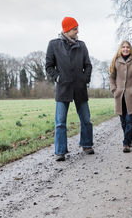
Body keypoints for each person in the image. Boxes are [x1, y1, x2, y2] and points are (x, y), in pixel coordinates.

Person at [46, 17, 94, 161]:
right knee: (60, 122)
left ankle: (87, 145)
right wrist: (58, 78)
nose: (77, 31)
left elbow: (88, 65)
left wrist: (85, 79)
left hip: (80, 88)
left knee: (86, 119)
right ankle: (60, 151)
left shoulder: (82, 45)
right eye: (75, 29)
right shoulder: (53, 45)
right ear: (67, 30)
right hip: (63, 88)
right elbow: (49, 66)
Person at [109, 41, 132, 153]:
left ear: (130, 49)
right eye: (123, 47)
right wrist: (114, 89)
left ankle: (125, 143)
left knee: (130, 120)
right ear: (120, 49)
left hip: (131, 94)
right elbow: (111, 77)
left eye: (127, 47)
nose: (125, 49)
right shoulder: (116, 60)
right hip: (119, 95)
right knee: (123, 121)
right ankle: (128, 140)